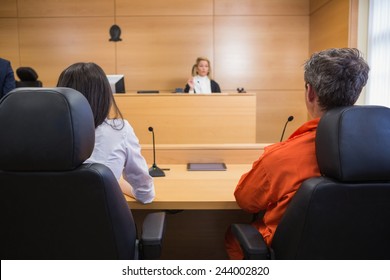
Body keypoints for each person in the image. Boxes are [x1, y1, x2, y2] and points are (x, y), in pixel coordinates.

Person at [225, 48, 370, 259]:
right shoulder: (380, 149)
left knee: (234, 237)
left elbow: (246, 201)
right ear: (356, 93)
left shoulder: (282, 157)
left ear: (310, 92)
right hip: (363, 255)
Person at [57, 62, 155, 204]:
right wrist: (117, 184)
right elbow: (146, 194)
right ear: (104, 95)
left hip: (54, 224)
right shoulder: (120, 130)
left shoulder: (44, 134)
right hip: (104, 224)